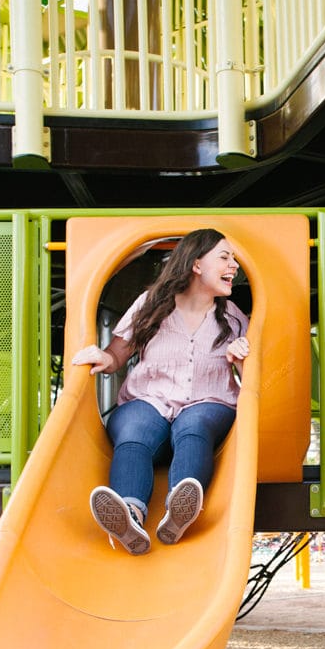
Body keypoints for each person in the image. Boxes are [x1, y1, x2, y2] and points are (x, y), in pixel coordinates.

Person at [72, 228, 250, 553]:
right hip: (148, 402)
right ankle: (129, 515)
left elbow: (253, 379)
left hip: (208, 404)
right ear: (197, 264)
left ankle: (178, 512)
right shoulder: (151, 305)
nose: (234, 266)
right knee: (135, 430)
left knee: (194, 425)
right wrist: (102, 356)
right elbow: (117, 356)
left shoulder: (235, 320)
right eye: (225, 257)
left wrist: (240, 362)